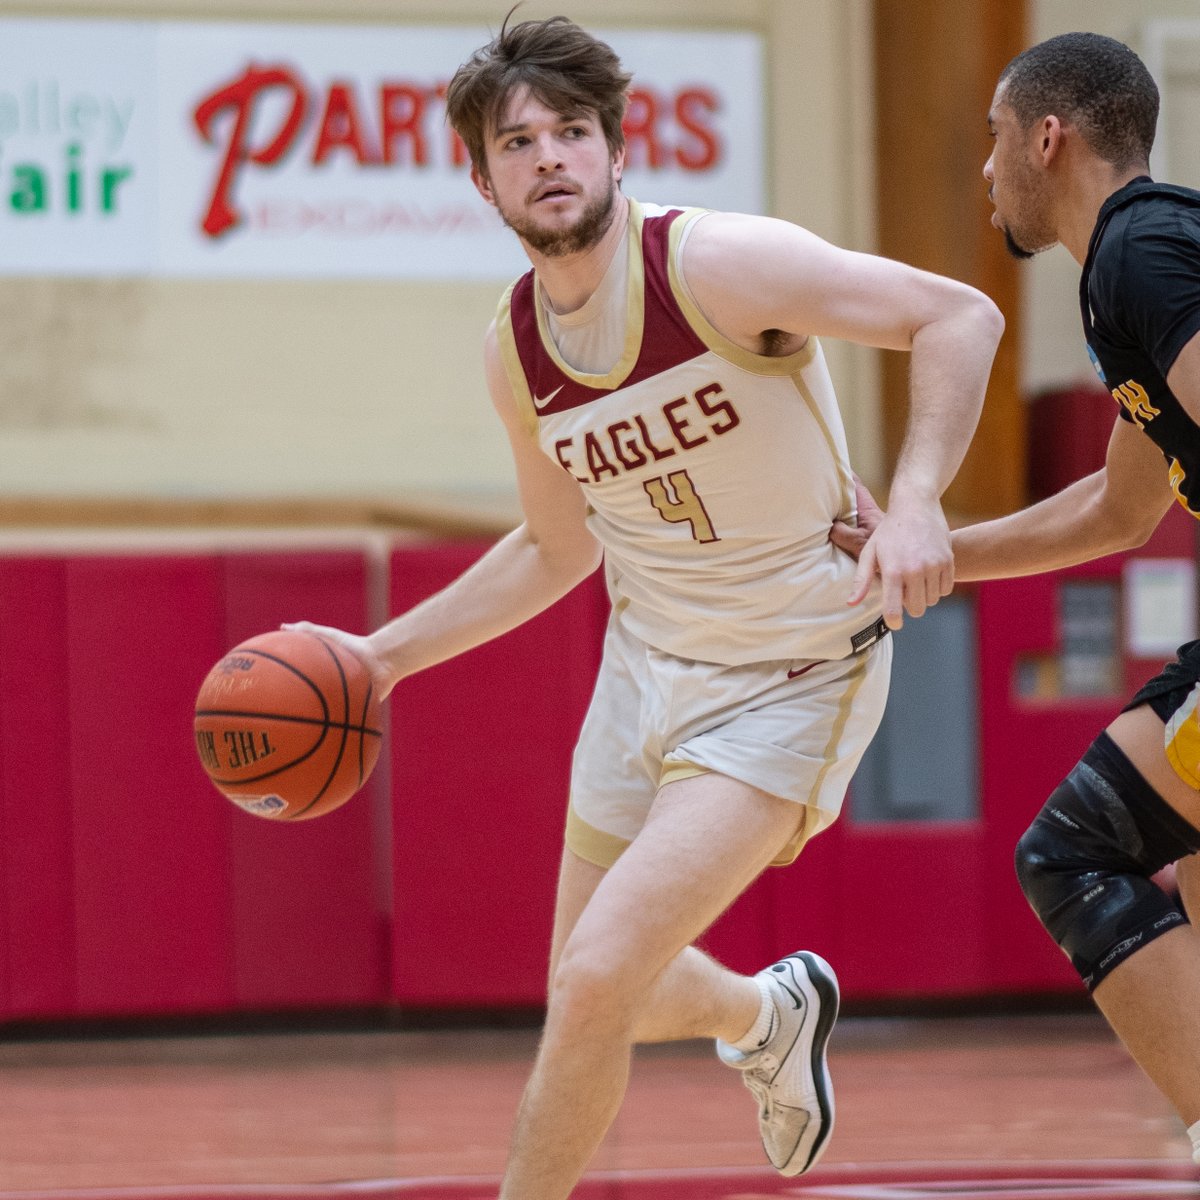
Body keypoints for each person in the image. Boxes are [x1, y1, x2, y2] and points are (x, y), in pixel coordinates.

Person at [287, 14, 1001, 1197]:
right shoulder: (516, 349)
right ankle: (767, 1016)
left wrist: (920, 498)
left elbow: (958, 315)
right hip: (645, 673)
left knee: (598, 975)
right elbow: (554, 545)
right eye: (520, 143)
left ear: (619, 151)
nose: (551, 157)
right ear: (482, 179)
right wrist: (377, 657)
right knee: (595, 973)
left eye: (573, 132)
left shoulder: (713, 263)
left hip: (791, 677)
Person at [835, 30, 1200, 1163]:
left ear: (1049, 138)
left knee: (1079, 847)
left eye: (995, 140)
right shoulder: (1131, 270)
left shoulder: (1142, 251)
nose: (986, 170)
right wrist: (919, 548)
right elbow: (1115, 512)